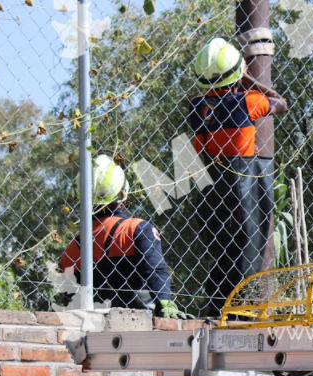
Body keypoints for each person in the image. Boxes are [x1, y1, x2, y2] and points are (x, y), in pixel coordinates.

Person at [188, 37, 288, 315]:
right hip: (243, 186)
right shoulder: (249, 101)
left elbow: (198, 99)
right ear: (237, 71)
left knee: (220, 250)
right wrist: (248, 80)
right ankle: (237, 306)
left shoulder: (196, 107)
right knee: (246, 246)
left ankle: (215, 304)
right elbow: (281, 102)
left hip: (210, 184)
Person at [59, 155, 190, 318]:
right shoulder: (136, 229)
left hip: (92, 326)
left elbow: (69, 297)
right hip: (141, 321)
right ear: (123, 193)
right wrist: (165, 303)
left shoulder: (72, 249)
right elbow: (155, 270)